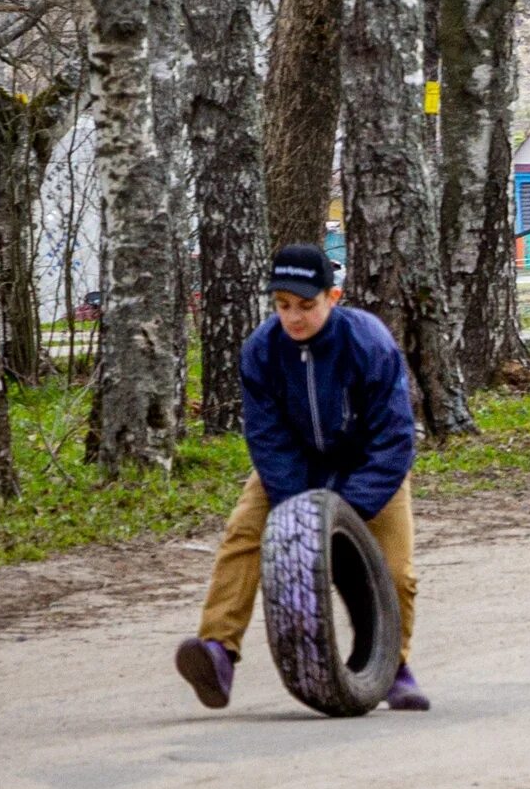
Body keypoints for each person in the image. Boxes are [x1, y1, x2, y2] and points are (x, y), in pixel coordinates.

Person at [175, 244, 429, 711]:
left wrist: (349, 511)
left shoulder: (368, 342)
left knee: (394, 571)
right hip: (294, 465)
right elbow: (267, 438)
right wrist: (300, 511)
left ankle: (392, 668)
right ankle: (217, 651)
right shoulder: (261, 351)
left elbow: (395, 437)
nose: (293, 318)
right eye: (283, 305)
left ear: (333, 297)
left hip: (369, 466)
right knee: (244, 534)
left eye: (306, 306)